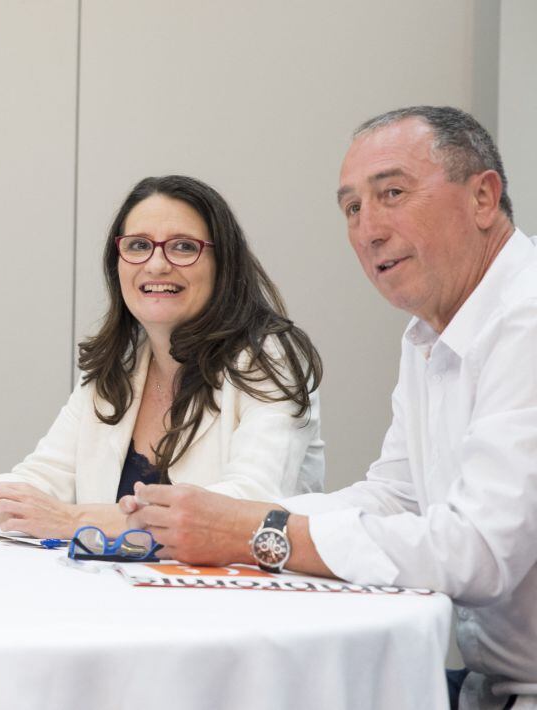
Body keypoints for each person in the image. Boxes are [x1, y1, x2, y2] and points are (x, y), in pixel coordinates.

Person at [121, 106, 535, 709]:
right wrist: (240, 520)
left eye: (392, 193)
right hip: (488, 686)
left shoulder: (524, 319)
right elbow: (396, 495)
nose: (368, 230)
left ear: (483, 197)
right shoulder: (427, 336)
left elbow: (476, 552)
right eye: (352, 209)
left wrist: (258, 533)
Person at [0, 175, 324, 538]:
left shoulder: (270, 358)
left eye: (182, 247)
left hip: (234, 610)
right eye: (139, 245)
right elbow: (44, 480)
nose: (157, 265)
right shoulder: (118, 368)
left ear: (223, 264)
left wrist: (73, 520)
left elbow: (250, 503)